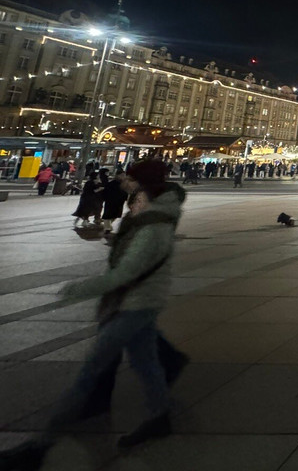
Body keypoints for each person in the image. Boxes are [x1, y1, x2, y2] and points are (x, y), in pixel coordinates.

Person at [0, 160, 188, 470]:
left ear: (144, 185)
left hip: (134, 304)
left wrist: (80, 289)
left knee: (88, 376)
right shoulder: (148, 217)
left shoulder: (153, 223)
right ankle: (160, 417)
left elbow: (128, 271)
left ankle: (39, 447)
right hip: (139, 302)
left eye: (129, 179)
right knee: (147, 364)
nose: (123, 183)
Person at [101, 168, 130, 235]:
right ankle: (107, 228)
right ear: (117, 175)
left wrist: (126, 198)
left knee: (116, 215)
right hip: (110, 201)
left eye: (124, 175)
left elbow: (126, 192)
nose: (123, 177)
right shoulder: (111, 184)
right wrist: (105, 198)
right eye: (122, 175)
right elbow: (105, 192)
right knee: (107, 215)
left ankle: (108, 226)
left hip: (119, 202)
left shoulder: (124, 184)